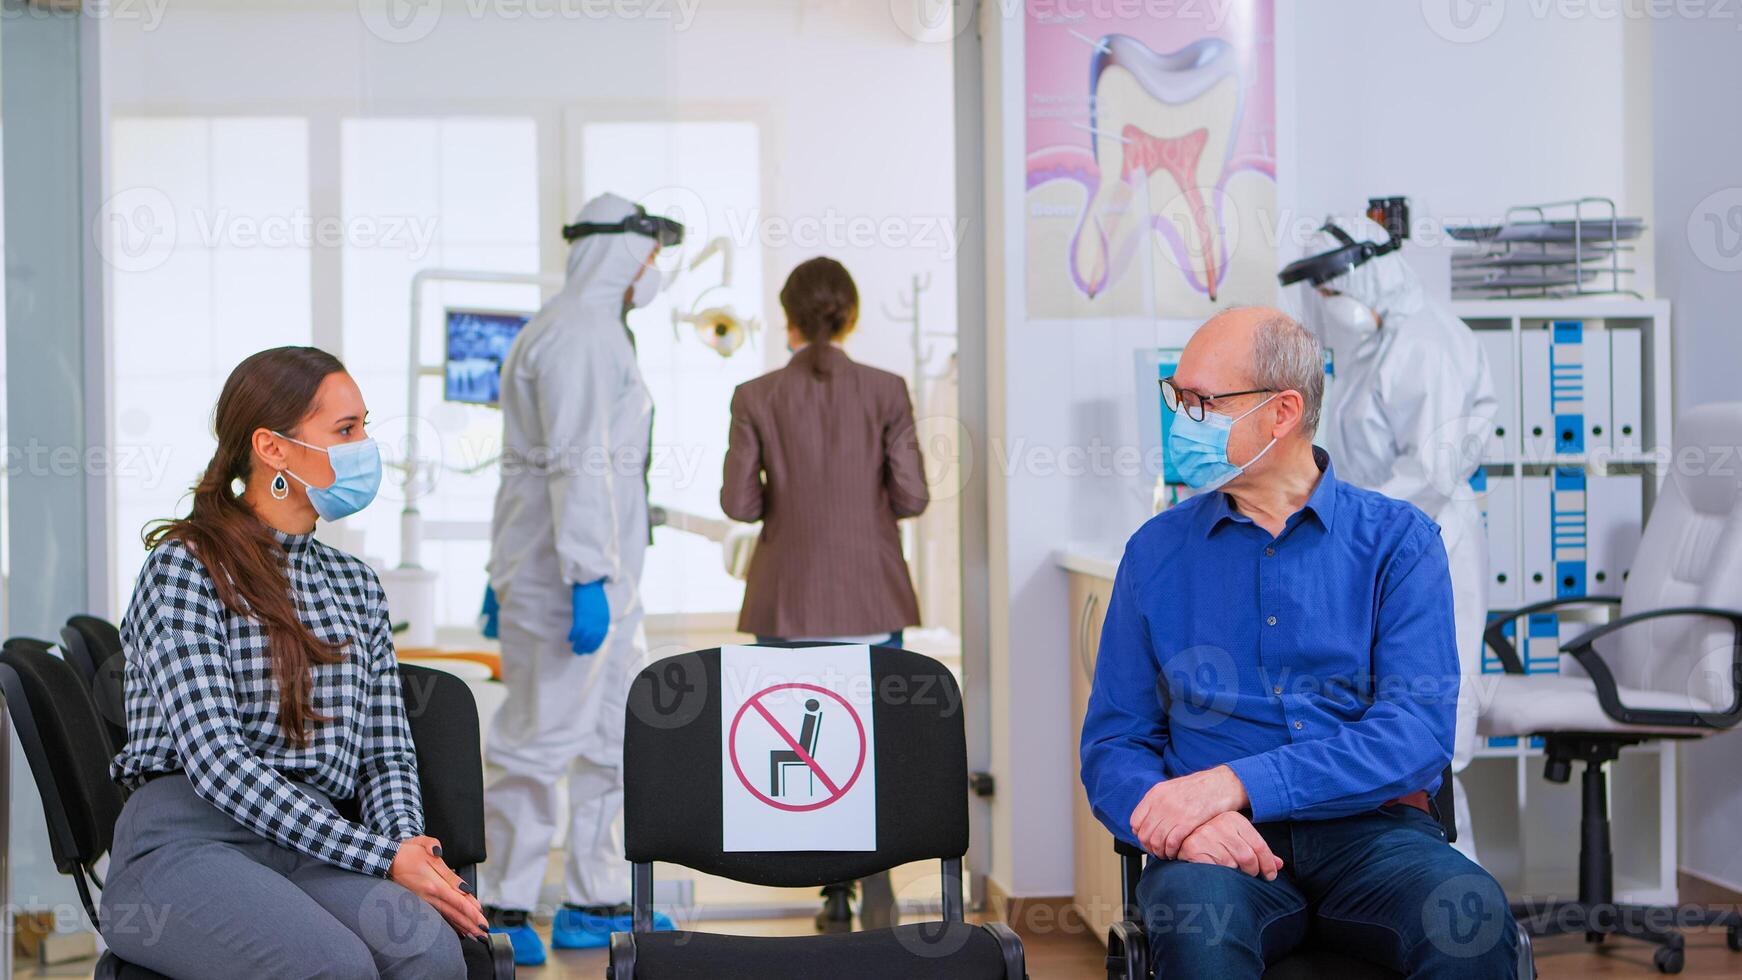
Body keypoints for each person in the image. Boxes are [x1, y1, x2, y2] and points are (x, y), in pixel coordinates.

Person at [1080, 308, 1518, 978]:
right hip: (1216, 849)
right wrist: (1187, 822)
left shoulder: (1399, 543)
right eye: (1176, 397)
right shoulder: (1155, 553)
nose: (1181, 421)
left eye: (1202, 402)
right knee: (1200, 937)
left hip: (1374, 835)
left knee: (1471, 919)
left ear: (1282, 412)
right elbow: (1115, 744)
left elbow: (1416, 732)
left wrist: (1234, 784)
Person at [102, 347, 476, 980]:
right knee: (331, 966)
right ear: (272, 449)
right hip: (187, 840)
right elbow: (217, 763)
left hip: (311, 841)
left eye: (365, 425)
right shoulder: (184, 568)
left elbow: (384, 754)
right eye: (345, 430)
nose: (366, 446)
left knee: (428, 951)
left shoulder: (355, 584)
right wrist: (381, 857)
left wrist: (408, 852)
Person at [480, 192, 682, 964]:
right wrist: (587, 575)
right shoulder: (578, 336)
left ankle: (596, 901)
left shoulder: (588, 332)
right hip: (571, 584)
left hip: (592, 583)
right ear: (623, 253)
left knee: (611, 743)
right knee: (537, 744)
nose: (655, 271)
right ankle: (502, 904)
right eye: (651, 256)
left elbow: (533, 472)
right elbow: (575, 463)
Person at [720, 256, 928, 931]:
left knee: (801, 745)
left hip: (787, 602)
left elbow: (739, 504)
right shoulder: (887, 390)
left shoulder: (755, 395)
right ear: (851, 314)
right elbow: (914, 496)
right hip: (872, 601)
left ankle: (825, 880)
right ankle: (877, 873)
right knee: (872, 740)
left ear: (788, 316)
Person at [1282, 215, 1498, 857]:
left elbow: (1428, 472)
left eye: (1331, 291)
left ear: (1370, 272)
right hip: (1380, 556)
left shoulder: (1422, 344)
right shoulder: (1369, 352)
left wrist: (1335, 528)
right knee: (1382, 738)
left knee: (1433, 741)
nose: (1325, 308)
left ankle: (1461, 917)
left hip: (1431, 551)